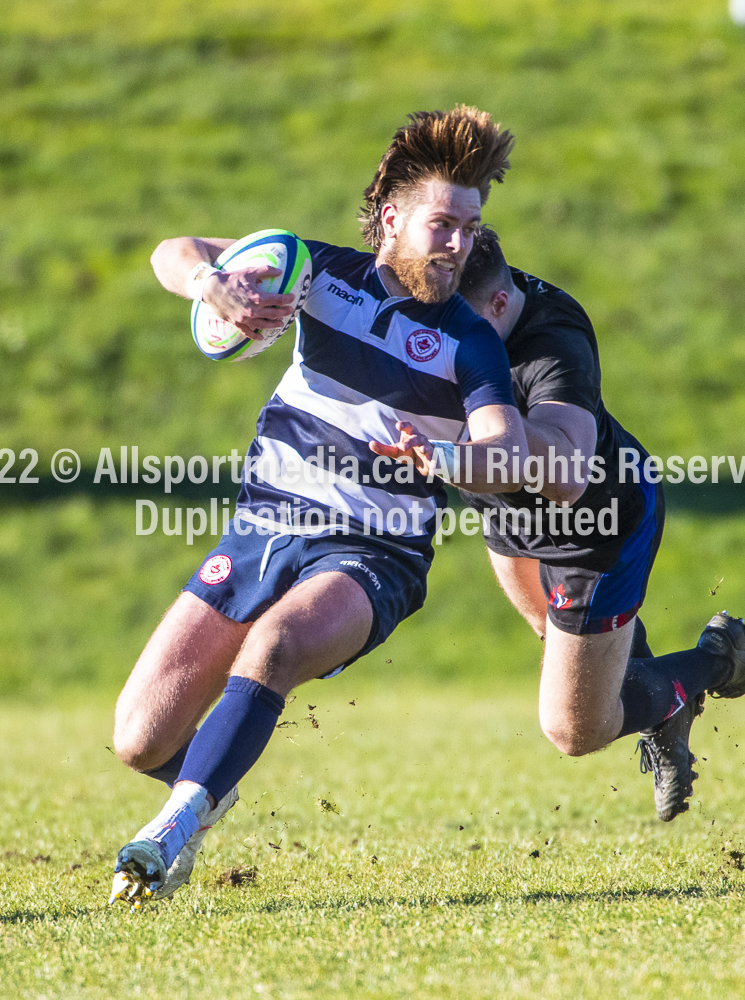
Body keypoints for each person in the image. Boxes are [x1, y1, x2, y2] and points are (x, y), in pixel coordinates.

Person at [109, 106, 531, 906]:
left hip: (375, 553)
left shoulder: (470, 341)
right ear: (393, 218)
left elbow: (504, 450)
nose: (458, 244)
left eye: (471, 230)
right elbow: (174, 251)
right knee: (138, 738)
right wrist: (215, 285)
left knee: (274, 644)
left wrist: (444, 456)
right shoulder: (317, 271)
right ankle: (206, 782)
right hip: (266, 526)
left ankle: (171, 832)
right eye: (443, 224)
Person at [382, 225, 745, 823]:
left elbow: (567, 469)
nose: (444, 345)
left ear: (498, 305)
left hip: (598, 527)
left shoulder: (553, 342)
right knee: (555, 636)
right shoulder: (442, 312)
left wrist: (460, 445)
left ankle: (716, 660)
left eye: (462, 327)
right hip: (509, 519)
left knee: (573, 728)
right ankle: (665, 711)